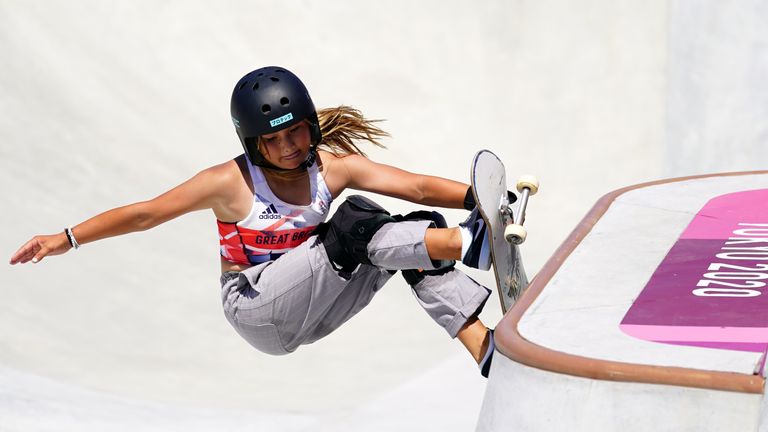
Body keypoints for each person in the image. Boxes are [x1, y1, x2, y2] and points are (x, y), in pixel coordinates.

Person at [9, 66, 501, 377]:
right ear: (253, 143)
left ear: (309, 122)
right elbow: (146, 213)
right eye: (273, 141)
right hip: (255, 308)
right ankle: (471, 244)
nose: (289, 148)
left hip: (316, 307)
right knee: (359, 226)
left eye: (296, 133)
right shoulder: (228, 182)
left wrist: (477, 199)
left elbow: (413, 185)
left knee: (412, 233)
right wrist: (67, 238)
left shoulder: (332, 165)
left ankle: (482, 348)